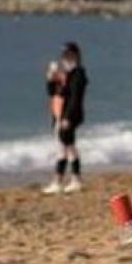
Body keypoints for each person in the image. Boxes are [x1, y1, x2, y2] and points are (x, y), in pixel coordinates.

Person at [43, 42, 88, 194]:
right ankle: (59, 181)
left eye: (68, 56)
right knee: (63, 148)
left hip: (69, 116)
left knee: (68, 146)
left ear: (75, 56)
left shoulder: (78, 74)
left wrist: (68, 117)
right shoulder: (66, 75)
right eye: (64, 56)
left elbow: (75, 98)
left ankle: (74, 179)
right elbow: (52, 92)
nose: (65, 59)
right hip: (59, 114)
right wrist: (51, 79)